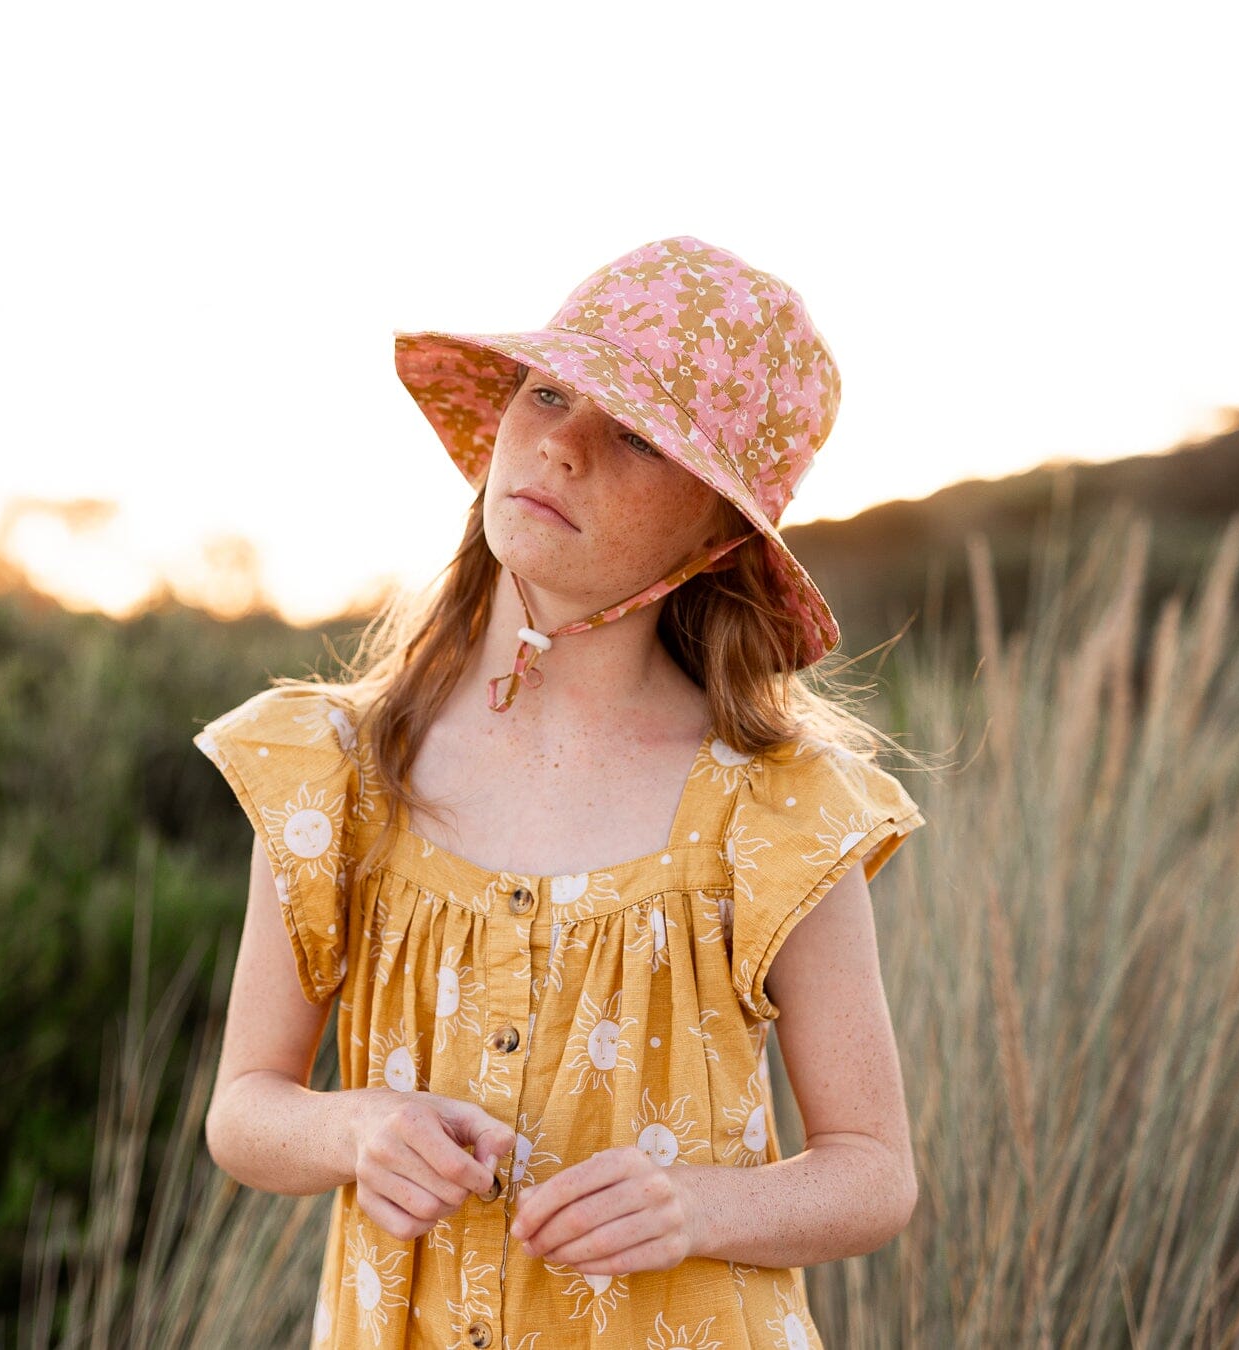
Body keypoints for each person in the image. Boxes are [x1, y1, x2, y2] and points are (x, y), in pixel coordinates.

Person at [196, 235, 929, 1350]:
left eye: (635, 436)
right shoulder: (339, 768)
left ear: (717, 532)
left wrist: (696, 1206)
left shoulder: (775, 809)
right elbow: (245, 1110)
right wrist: (357, 1130)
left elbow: (872, 1176)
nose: (563, 445)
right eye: (548, 392)